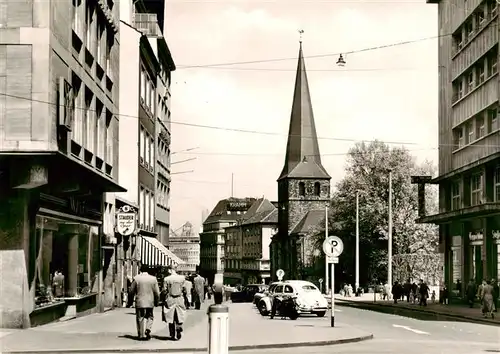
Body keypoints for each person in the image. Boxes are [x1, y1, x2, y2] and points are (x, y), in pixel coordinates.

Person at [127, 264, 160, 341]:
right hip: (150, 301)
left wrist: (130, 301)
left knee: (140, 318)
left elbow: (131, 291)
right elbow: (157, 292)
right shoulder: (153, 279)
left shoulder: (137, 278)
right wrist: (157, 301)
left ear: (140, 270)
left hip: (140, 301)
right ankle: (148, 328)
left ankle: (141, 335)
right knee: (150, 316)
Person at [163, 265, 188, 340]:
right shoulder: (182, 278)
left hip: (170, 298)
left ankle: (172, 333)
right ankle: (179, 327)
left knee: (170, 316)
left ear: (170, 270)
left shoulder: (166, 279)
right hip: (179, 298)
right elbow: (184, 289)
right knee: (180, 314)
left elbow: (164, 290)